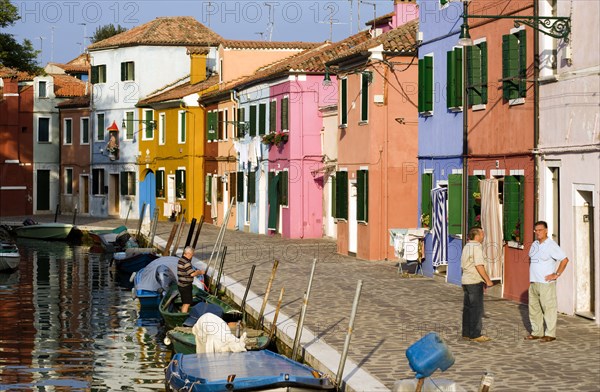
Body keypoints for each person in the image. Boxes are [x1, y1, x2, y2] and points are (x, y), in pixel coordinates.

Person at [525, 221, 569, 342]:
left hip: (546, 284)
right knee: (534, 309)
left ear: (546, 231)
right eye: (536, 230)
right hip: (534, 282)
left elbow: (564, 260)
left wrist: (556, 274)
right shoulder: (534, 244)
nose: (537, 232)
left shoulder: (551, 245)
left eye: (540, 230)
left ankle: (550, 334)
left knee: (548, 308)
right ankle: (537, 332)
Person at [461, 227, 494, 342]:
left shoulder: (467, 246)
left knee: (467, 308)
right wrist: (487, 280)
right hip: (474, 281)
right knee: (476, 308)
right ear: (477, 235)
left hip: (466, 280)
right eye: (482, 234)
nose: (483, 236)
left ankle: (466, 332)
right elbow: (479, 265)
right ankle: (475, 334)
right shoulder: (477, 248)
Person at [177, 246, 204, 313]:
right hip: (185, 286)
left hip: (181, 284)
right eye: (192, 255)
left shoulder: (181, 260)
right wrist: (199, 272)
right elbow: (192, 274)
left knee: (185, 302)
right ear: (188, 253)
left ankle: (182, 313)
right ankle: (183, 316)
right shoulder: (186, 262)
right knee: (187, 303)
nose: (192, 256)